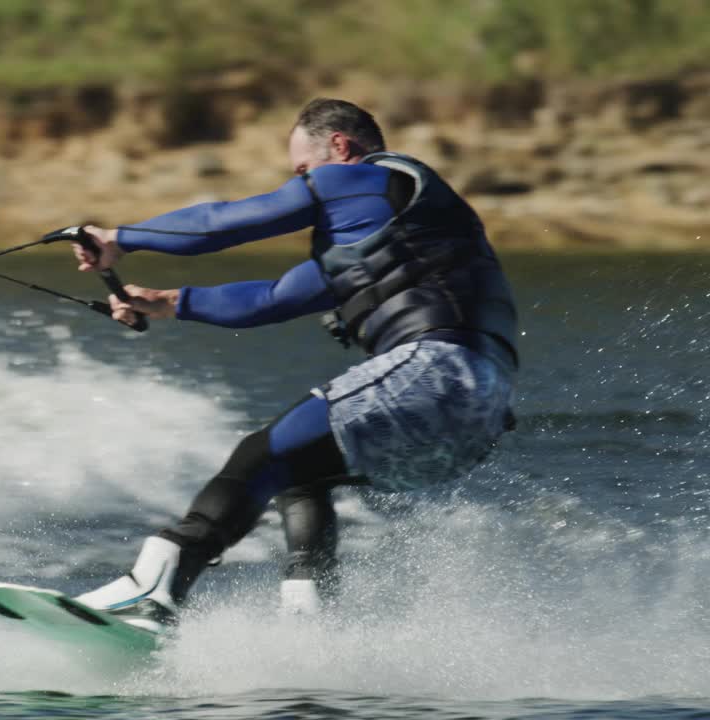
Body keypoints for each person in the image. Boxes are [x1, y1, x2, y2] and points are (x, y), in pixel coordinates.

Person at [70, 98, 519, 632]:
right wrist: (169, 303)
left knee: (259, 454)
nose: (303, 183)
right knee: (301, 475)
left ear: (341, 147)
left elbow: (225, 223)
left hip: (433, 369)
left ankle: (150, 590)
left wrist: (118, 238)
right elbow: (273, 299)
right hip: (478, 414)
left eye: (303, 171)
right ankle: (310, 623)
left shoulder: (371, 176)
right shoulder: (393, 237)